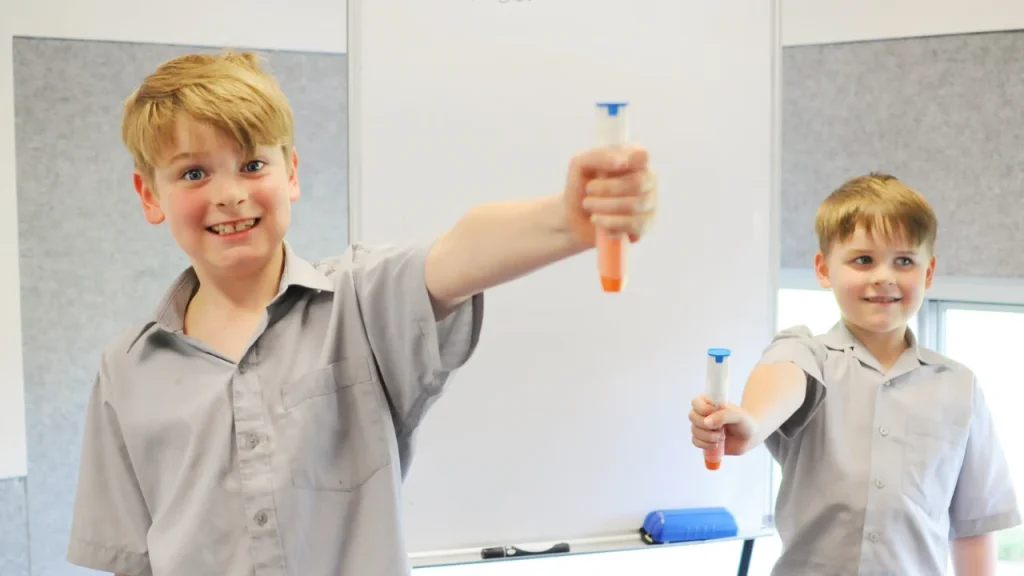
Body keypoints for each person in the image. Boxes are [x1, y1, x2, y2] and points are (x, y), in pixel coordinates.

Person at [66, 50, 658, 576]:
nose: (229, 194)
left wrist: (566, 218)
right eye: (194, 173)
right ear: (150, 196)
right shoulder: (126, 369)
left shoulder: (361, 303)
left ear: (291, 173)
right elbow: (134, 560)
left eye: (252, 165)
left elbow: (457, 255)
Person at [690, 173, 1020, 575]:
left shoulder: (959, 385)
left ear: (928, 274)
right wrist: (752, 422)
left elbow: (973, 525)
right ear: (824, 269)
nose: (884, 276)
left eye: (904, 261)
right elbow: (781, 381)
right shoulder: (806, 353)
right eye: (863, 259)